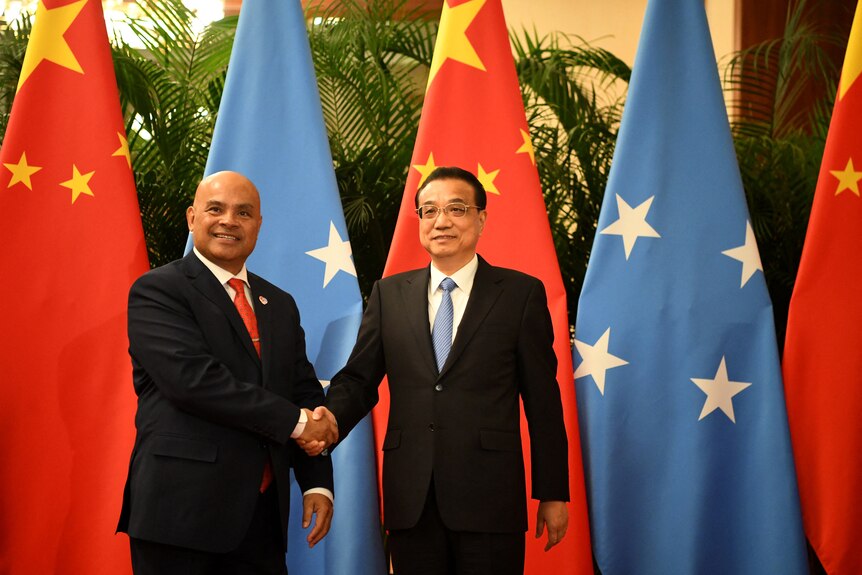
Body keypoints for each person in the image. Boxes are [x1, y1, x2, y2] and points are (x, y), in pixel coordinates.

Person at [303, 166, 570, 574]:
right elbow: (359, 378)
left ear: (481, 218)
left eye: (456, 209)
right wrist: (330, 418)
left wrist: (552, 492)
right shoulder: (388, 294)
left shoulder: (520, 294)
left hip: (490, 497)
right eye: (428, 211)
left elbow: (543, 400)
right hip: (412, 498)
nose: (441, 221)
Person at [117, 171, 338, 575]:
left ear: (258, 225)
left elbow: (304, 390)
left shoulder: (280, 304)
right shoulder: (159, 290)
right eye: (215, 209)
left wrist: (316, 481)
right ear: (191, 217)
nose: (229, 221)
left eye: (244, 213)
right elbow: (194, 383)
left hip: (262, 520)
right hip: (181, 517)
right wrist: (298, 423)